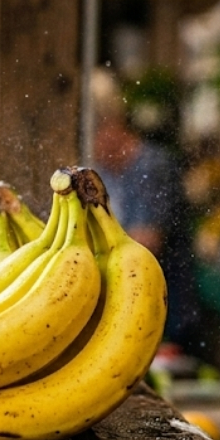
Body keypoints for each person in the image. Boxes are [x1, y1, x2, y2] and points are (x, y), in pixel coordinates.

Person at [90, 69, 202, 353]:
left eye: (92, 134)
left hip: (165, 312)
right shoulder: (103, 171)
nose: (90, 145)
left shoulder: (152, 167)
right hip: (127, 309)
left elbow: (146, 242)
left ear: (112, 126)